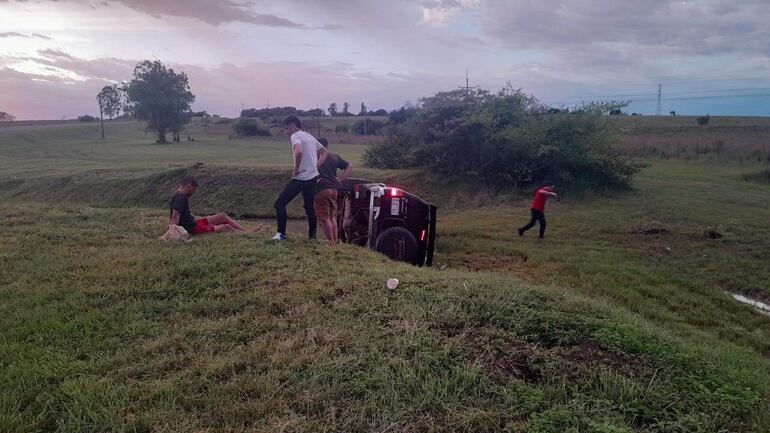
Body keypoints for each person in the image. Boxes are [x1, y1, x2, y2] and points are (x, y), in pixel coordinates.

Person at [272, 115, 328, 241]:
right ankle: (312, 237)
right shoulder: (309, 136)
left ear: (293, 126)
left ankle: (281, 234)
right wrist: (315, 166)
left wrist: (296, 170)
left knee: (279, 203)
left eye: (286, 129)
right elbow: (324, 152)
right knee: (309, 207)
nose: (285, 132)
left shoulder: (295, 136)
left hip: (302, 177)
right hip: (313, 177)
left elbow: (299, 152)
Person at [168, 175, 253, 236]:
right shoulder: (181, 197)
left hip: (194, 224)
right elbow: (175, 216)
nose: (193, 192)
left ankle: (247, 231)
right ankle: (248, 234)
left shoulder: (178, 194)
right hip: (192, 229)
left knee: (222, 216)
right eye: (193, 190)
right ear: (189, 186)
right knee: (226, 227)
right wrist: (171, 232)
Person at [314, 138, 352, 244]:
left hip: (321, 189)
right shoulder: (334, 156)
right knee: (332, 216)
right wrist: (341, 179)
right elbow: (349, 166)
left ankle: (330, 242)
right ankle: (335, 242)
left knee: (325, 218)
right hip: (334, 190)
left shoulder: (316, 156)